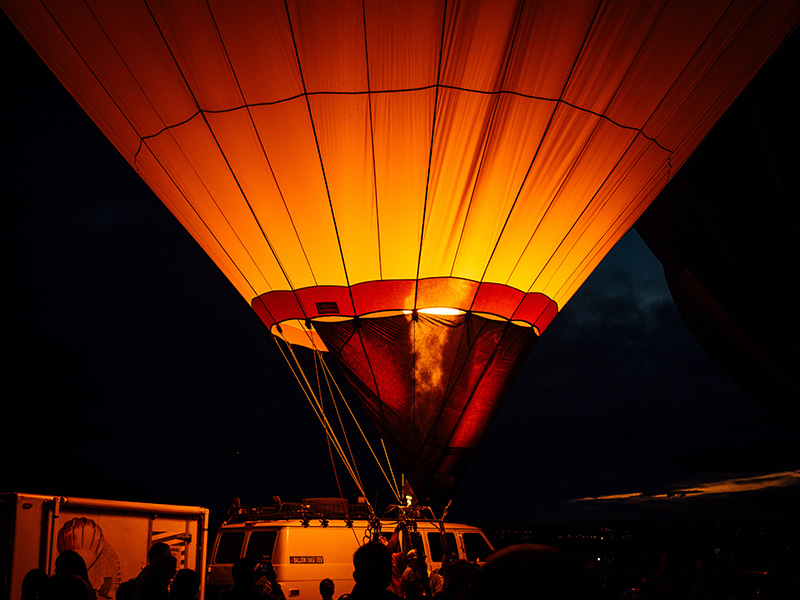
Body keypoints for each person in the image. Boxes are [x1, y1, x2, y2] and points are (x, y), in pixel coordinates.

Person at [217, 557, 285, 600]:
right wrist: (273, 581)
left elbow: (242, 584)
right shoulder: (257, 596)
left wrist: (254, 577)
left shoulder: (224, 595)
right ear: (250, 575)